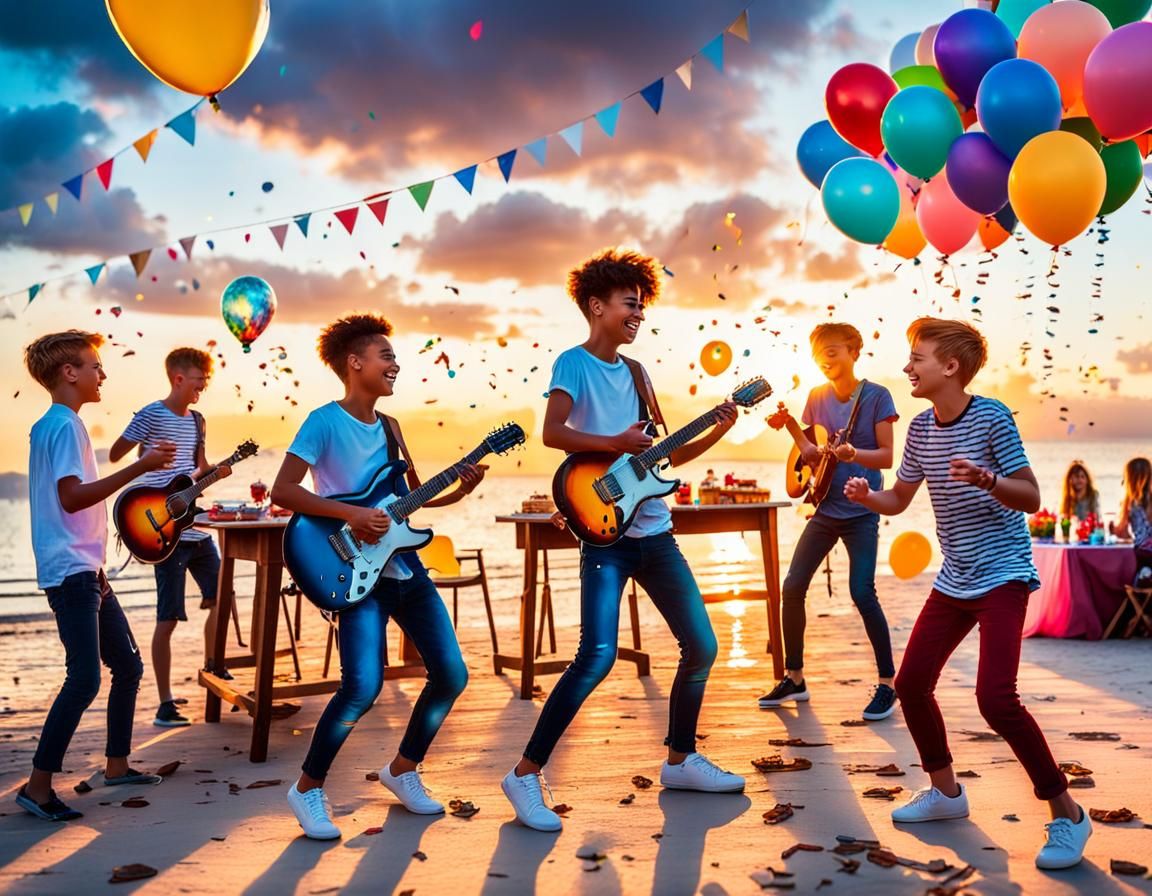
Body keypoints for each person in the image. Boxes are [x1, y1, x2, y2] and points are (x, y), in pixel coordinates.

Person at [501, 248, 744, 834]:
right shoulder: (574, 364)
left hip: (656, 533)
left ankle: (681, 759)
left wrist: (715, 431)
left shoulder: (639, 374)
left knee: (703, 646)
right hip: (605, 537)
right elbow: (553, 432)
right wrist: (615, 441)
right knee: (597, 656)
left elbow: (661, 455)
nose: (638, 313)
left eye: (642, 305)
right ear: (596, 305)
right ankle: (525, 775)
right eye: (629, 303)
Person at [844, 317, 1091, 871]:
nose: (907, 366)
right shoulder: (920, 430)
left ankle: (1068, 814)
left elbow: (1029, 496)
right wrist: (866, 496)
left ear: (950, 367)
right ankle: (946, 793)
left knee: (996, 699)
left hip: (1003, 574)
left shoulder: (993, 418)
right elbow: (900, 499)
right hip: (954, 579)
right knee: (909, 684)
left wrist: (988, 480)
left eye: (918, 358)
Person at [271, 314, 483, 840]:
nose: (395, 365)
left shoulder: (391, 428)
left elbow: (409, 500)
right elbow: (284, 491)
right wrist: (351, 516)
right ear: (355, 363)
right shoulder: (323, 422)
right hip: (352, 572)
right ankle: (307, 788)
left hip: (404, 568)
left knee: (451, 675)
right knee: (362, 686)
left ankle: (403, 770)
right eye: (386, 356)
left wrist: (461, 487)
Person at [17, 331, 173, 822]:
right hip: (71, 574)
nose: (102, 374)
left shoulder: (57, 425)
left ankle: (117, 765)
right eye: (94, 366)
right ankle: (38, 787)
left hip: (88, 571)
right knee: (83, 680)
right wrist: (141, 467)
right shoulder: (64, 426)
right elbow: (72, 497)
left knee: (127, 667)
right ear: (69, 373)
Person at [758, 322, 898, 721]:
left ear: (854, 351)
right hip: (824, 510)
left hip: (862, 510)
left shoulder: (876, 396)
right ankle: (795, 677)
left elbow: (887, 456)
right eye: (819, 354)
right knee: (792, 586)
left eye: (833, 351)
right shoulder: (816, 396)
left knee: (862, 592)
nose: (826, 360)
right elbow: (812, 454)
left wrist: (853, 454)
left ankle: (888, 684)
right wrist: (789, 426)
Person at [109, 348, 231, 728]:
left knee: (221, 599)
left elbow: (198, 468)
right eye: (199, 378)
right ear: (179, 378)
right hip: (159, 528)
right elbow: (116, 455)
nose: (203, 386)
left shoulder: (198, 420)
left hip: (194, 528)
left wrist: (217, 472)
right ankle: (165, 704)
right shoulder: (150, 414)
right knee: (168, 619)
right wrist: (146, 461)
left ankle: (214, 667)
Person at [1114, 457, 1152, 588]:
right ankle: (1146, 575)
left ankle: (1143, 576)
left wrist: (1111, 528)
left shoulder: (1129, 503)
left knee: (1125, 562)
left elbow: (1122, 533)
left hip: (1143, 554)